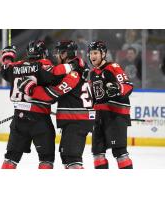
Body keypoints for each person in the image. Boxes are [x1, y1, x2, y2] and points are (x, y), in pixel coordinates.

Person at [19, 41, 95, 169]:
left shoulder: (74, 73)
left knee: (73, 160)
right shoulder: (77, 67)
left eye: (58, 52)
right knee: (67, 160)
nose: (56, 55)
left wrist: (31, 90)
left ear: (65, 54)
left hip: (76, 121)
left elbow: (54, 93)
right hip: (74, 120)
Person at [0, 41, 59, 169]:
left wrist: (8, 54)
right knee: (46, 160)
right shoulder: (43, 65)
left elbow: (5, 69)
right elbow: (55, 79)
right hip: (40, 120)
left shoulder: (14, 67)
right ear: (43, 53)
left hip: (18, 119)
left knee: (10, 159)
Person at [88, 41, 133, 169]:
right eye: (91, 53)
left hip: (115, 116)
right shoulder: (92, 73)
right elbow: (95, 99)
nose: (92, 56)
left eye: (95, 53)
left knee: (120, 153)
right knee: (97, 154)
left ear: (103, 54)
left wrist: (118, 88)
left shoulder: (113, 66)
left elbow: (128, 86)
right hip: (99, 117)